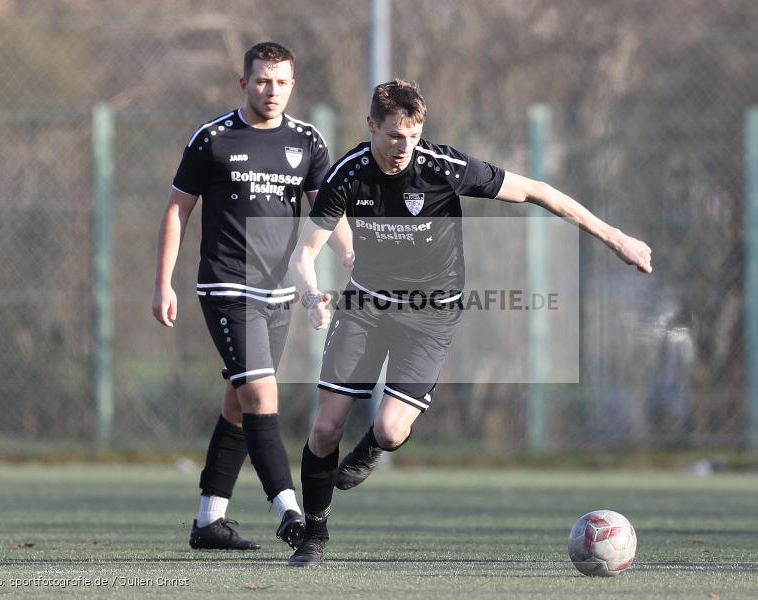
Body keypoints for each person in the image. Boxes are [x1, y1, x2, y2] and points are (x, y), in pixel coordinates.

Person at [286, 80, 652, 566]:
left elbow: (537, 191)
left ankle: (372, 447)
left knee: (391, 431)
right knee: (326, 428)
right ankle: (314, 534)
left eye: (413, 136)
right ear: (371, 125)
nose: (404, 147)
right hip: (366, 306)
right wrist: (313, 296)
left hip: (431, 312)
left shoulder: (443, 166)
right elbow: (304, 254)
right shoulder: (347, 175)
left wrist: (617, 238)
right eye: (394, 135)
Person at [152, 42, 351, 552]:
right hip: (227, 287)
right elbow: (178, 210)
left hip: (278, 294)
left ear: (293, 85)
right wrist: (163, 282)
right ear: (244, 83)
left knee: (240, 406)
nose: (272, 90)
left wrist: (354, 257)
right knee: (262, 397)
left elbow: (326, 213)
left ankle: (209, 522)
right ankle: (290, 512)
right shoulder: (213, 138)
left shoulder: (307, 141)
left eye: (281, 82)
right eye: (262, 80)